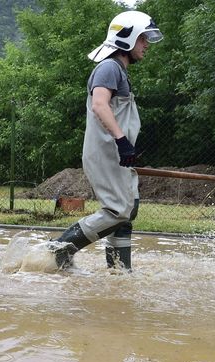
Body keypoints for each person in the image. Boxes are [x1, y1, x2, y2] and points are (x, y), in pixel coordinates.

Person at [48, 11, 163, 271]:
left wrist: (126, 145)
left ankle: (120, 272)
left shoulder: (119, 71)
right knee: (118, 210)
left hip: (118, 153)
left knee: (127, 212)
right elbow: (100, 104)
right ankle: (58, 250)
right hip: (108, 151)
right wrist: (122, 141)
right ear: (128, 38)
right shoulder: (109, 67)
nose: (146, 45)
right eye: (143, 39)